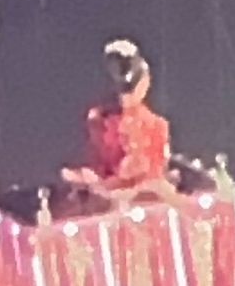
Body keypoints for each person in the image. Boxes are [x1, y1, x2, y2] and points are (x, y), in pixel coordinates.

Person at [61, 39, 173, 200]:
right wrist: (89, 179)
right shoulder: (100, 119)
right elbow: (98, 163)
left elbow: (150, 171)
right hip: (112, 197)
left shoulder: (155, 125)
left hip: (144, 197)